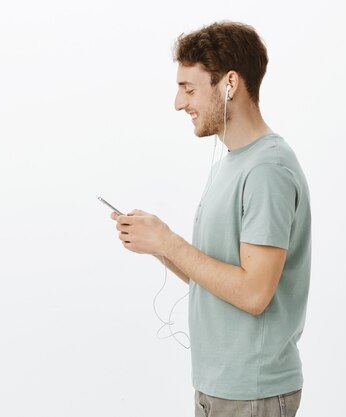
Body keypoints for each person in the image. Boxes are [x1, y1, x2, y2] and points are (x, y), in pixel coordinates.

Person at [110, 21, 311, 417]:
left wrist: (169, 242)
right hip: (220, 387)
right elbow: (222, 279)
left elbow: (254, 294)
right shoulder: (231, 165)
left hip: (252, 392)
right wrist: (156, 245)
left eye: (189, 88)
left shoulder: (267, 170)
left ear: (229, 83)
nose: (179, 103)